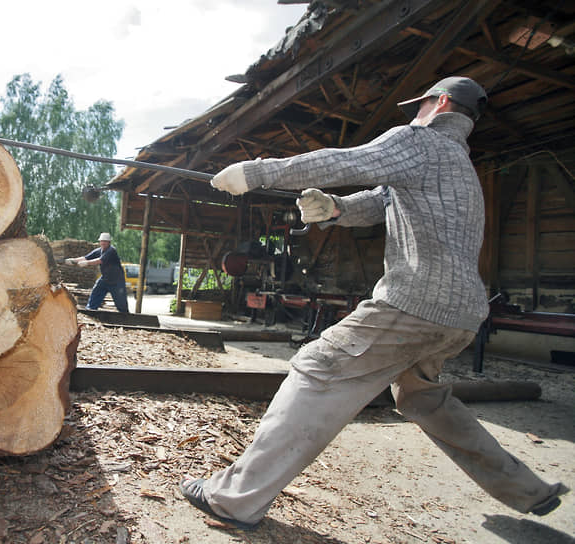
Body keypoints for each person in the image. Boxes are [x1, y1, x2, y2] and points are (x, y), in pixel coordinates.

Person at [177, 76, 568, 529]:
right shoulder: (459, 166)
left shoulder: (421, 141)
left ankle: (233, 499)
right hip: (462, 315)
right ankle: (528, 490)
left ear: (439, 103)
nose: (411, 115)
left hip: (415, 303)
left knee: (317, 369)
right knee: (424, 400)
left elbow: (351, 161)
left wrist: (258, 173)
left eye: (417, 106)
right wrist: (336, 209)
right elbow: (382, 199)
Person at [66, 232, 129, 313]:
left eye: (105, 241)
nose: (103, 243)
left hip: (116, 281)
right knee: (95, 294)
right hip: (105, 279)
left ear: (109, 242)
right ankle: (90, 312)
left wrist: (87, 263)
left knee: (121, 305)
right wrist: (73, 260)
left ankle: (125, 317)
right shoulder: (99, 251)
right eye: (101, 241)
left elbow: (99, 261)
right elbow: (85, 257)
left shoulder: (111, 250)